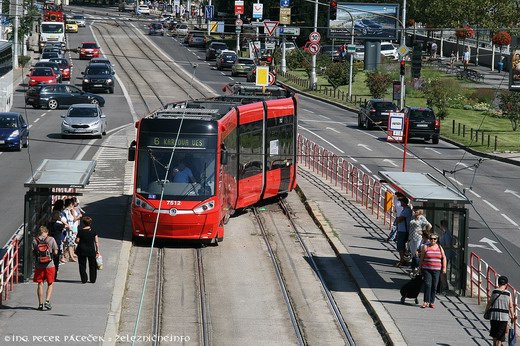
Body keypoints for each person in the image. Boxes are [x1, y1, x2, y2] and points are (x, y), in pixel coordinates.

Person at [485, 276, 517, 346]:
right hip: (503, 318)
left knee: (494, 334)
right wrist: (512, 316)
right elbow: (511, 306)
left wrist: (486, 311)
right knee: (500, 338)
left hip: (494, 316)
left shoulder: (494, 292)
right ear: (506, 284)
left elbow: (489, 303)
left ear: (498, 283)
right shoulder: (508, 293)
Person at [33, 226, 58, 310]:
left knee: (40, 284)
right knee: (50, 283)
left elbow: (33, 253)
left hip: (39, 265)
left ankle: (40, 304)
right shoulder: (51, 239)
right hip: (49, 265)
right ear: (46, 232)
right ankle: (47, 301)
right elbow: (55, 251)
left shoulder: (35, 240)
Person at [418, 233, 446, 308]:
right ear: (429, 239)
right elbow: (421, 258)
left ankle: (431, 301)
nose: (433, 240)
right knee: (428, 284)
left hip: (436, 270)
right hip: (427, 269)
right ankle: (426, 301)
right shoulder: (426, 247)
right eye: (431, 239)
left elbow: (444, 257)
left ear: (437, 240)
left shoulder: (439, 247)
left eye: (434, 239)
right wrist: (419, 268)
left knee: (434, 285)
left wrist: (444, 268)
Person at [75, 216, 100, 284]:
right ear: (90, 223)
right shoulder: (93, 231)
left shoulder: (80, 231)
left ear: (83, 223)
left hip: (82, 249)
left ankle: (84, 279)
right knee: (92, 265)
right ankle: (92, 279)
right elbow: (96, 242)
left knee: (82, 264)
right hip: (91, 250)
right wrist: (97, 250)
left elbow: (77, 241)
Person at [408, 209, 432, 274]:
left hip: (418, 237)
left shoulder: (422, 218)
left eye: (416, 210)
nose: (415, 211)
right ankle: (414, 266)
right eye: (414, 210)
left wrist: (424, 232)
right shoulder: (413, 217)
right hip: (411, 236)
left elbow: (429, 225)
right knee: (412, 253)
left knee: (416, 252)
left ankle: (416, 267)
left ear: (420, 211)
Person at [394, 197, 413, 267]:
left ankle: (402, 260)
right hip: (402, 230)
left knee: (400, 246)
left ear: (404, 203)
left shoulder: (407, 210)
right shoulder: (405, 209)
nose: (400, 203)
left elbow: (399, 219)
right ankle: (402, 259)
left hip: (404, 231)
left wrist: (397, 219)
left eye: (401, 202)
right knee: (401, 246)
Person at [48, 210, 65, 279]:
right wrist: (61, 220)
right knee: (56, 260)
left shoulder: (48, 224)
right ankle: (54, 276)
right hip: (57, 243)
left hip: (49, 242)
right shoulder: (59, 225)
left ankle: (48, 274)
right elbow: (66, 225)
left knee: (49, 259)